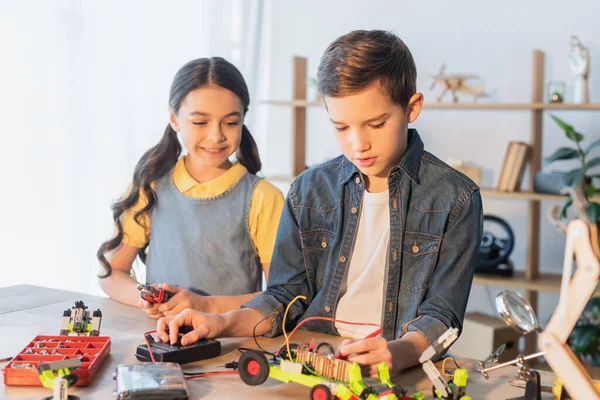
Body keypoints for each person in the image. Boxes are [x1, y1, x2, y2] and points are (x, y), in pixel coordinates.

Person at [156, 30, 483, 377]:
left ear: (411, 108)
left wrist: (399, 353)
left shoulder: (456, 198)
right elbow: (284, 295)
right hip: (312, 355)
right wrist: (220, 323)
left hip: (399, 367)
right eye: (341, 127)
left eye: (376, 124)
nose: (359, 144)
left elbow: (442, 316)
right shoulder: (308, 190)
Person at [97, 57, 284, 319]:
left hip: (229, 345)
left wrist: (205, 307)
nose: (216, 135)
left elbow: (280, 296)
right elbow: (112, 274)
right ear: (174, 118)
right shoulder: (150, 187)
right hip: (160, 342)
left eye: (231, 123)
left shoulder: (263, 198)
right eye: (200, 122)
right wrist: (145, 298)